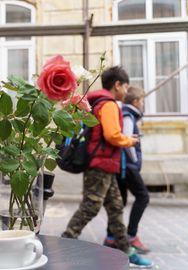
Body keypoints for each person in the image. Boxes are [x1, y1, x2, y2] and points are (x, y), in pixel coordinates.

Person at [61, 67, 153, 268]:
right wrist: (130, 141)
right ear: (117, 85)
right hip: (100, 165)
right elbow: (112, 135)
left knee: (115, 208)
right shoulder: (109, 105)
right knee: (91, 206)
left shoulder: (99, 102)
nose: (126, 91)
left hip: (105, 165)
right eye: (125, 86)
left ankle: (126, 251)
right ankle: (65, 241)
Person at [104, 86, 150, 254]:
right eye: (143, 101)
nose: (143, 104)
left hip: (121, 166)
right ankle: (131, 235)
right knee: (143, 196)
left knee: (120, 201)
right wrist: (135, 161)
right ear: (136, 101)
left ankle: (111, 237)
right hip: (127, 166)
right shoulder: (129, 115)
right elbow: (127, 140)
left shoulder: (124, 113)